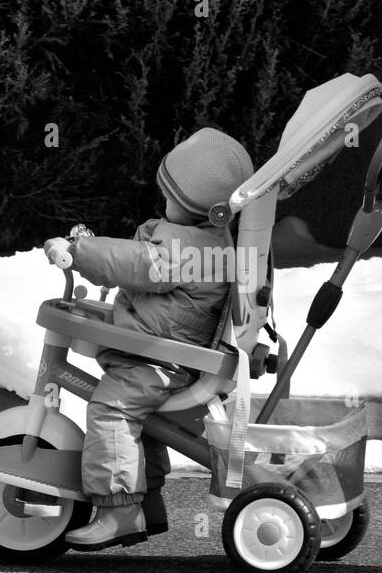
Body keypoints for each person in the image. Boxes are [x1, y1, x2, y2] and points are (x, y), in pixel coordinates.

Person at [43, 128, 254, 550]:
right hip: (163, 352)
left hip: (158, 362)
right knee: (144, 425)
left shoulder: (185, 250)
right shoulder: (206, 242)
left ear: (203, 211)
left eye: (171, 200)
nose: (164, 207)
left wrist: (79, 251)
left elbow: (135, 264)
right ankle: (147, 505)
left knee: (112, 411)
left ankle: (119, 510)